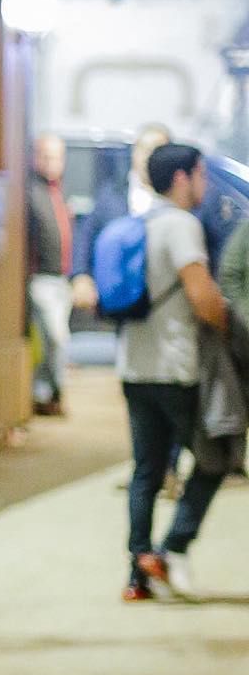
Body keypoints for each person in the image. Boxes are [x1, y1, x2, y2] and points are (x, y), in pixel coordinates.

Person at [118, 142, 231, 602]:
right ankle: (172, 547)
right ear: (183, 178)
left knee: (146, 468)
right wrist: (231, 325)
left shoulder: (138, 223)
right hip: (175, 366)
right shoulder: (182, 226)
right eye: (202, 176)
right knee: (214, 458)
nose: (204, 185)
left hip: (134, 366)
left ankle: (137, 574)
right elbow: (203, 298)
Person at [71, 123, 170, 315]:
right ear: (134, 152)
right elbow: (86, 235)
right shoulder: (111, 194)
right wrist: (80, 276)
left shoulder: (175, 198)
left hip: (162, 299)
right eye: (144, 150)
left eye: (157, 151)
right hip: (117, 297)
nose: (149, 158)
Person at [27, 132, 74, 415]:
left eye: (56, 157)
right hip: (41, 278)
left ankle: (50, 393)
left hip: (61, 278)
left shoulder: (59, 191)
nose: (51, 162)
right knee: (55, 338)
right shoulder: (30, 192)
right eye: (45, 156)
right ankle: (48, 392)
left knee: (54, 340)